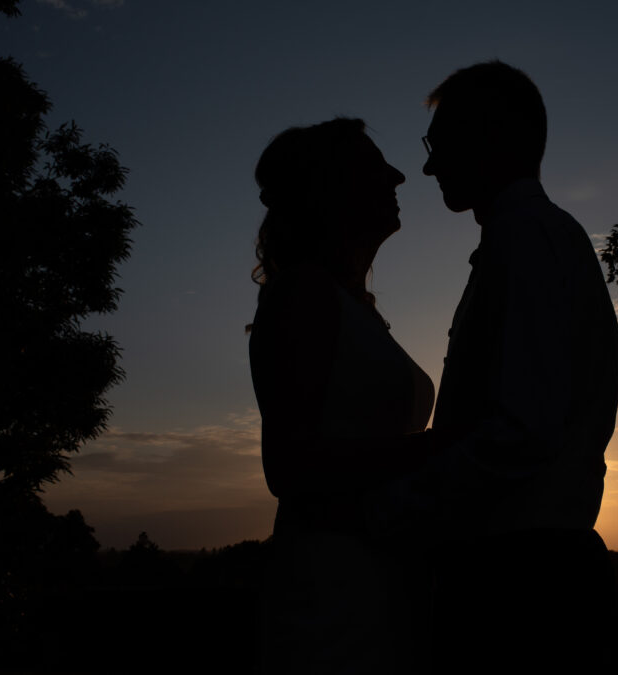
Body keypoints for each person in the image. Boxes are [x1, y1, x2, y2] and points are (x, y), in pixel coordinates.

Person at [370, 61, 618, 671]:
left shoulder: (527, 239)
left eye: (440, 143)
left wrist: (392, 509)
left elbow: (521, 432)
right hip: (522, 571)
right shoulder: (528, 238)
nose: (428, 167)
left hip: (519, 583)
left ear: (493, 134)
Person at [248, 118, 436, 674]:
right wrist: (440, 445)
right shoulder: (303, 293)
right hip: (334, 593)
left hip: (379, 579)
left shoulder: (348, 304)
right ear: (335, 188)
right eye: (379, 167)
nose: (400, 176)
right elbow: (290, 466)